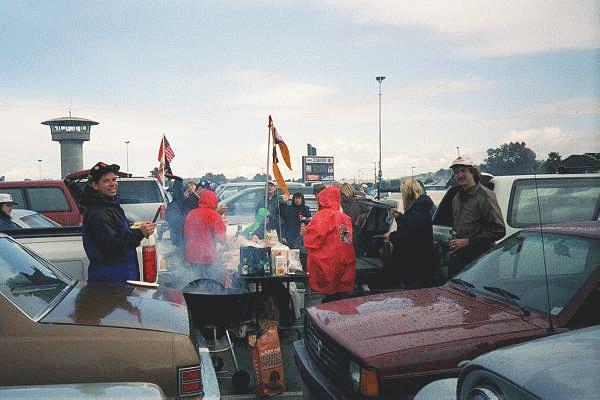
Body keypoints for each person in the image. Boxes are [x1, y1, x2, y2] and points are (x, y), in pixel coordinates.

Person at [81, 162, 156, 284]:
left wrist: (137, 229)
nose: (112, 184)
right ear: (95, 185)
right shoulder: (98, 213)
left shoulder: (110, 206)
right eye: (106, 181)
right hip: (110, 280)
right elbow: (113, 246)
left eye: (114, 179)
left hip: (122, 275)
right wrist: (139, 233)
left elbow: (119, 234)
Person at [448, 156, 506, 277]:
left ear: (473, 173)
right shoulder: (457, 198)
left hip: (481, 261)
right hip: (460, 260)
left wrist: (468, 241)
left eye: (463, 171)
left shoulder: (485, 196)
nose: (459, 175)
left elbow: (499, 230)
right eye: (456, 172)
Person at [303, 186, 356, 302]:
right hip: (341, 259)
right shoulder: (343, 217)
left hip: (325, 261)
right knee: (338, 292)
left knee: (327, 292)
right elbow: (346, 240)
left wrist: (305, 232)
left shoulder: (320, 216)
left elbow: (312, 241)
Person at [383, 178, 436, 288]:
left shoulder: (417, 211)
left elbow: (408, 237)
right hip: (422, 264)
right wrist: (400, 217)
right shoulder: (421, 208)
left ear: (407, 194)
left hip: (415, 267)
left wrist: (391, 236)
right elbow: (412, 225)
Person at [184, 189, 228, 284]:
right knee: (209, 284)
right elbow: (221, 238)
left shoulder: (191, 213)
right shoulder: (214, 215)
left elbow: (186, 234)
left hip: (192, 254)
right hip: (207, 256)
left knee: (196, 282)